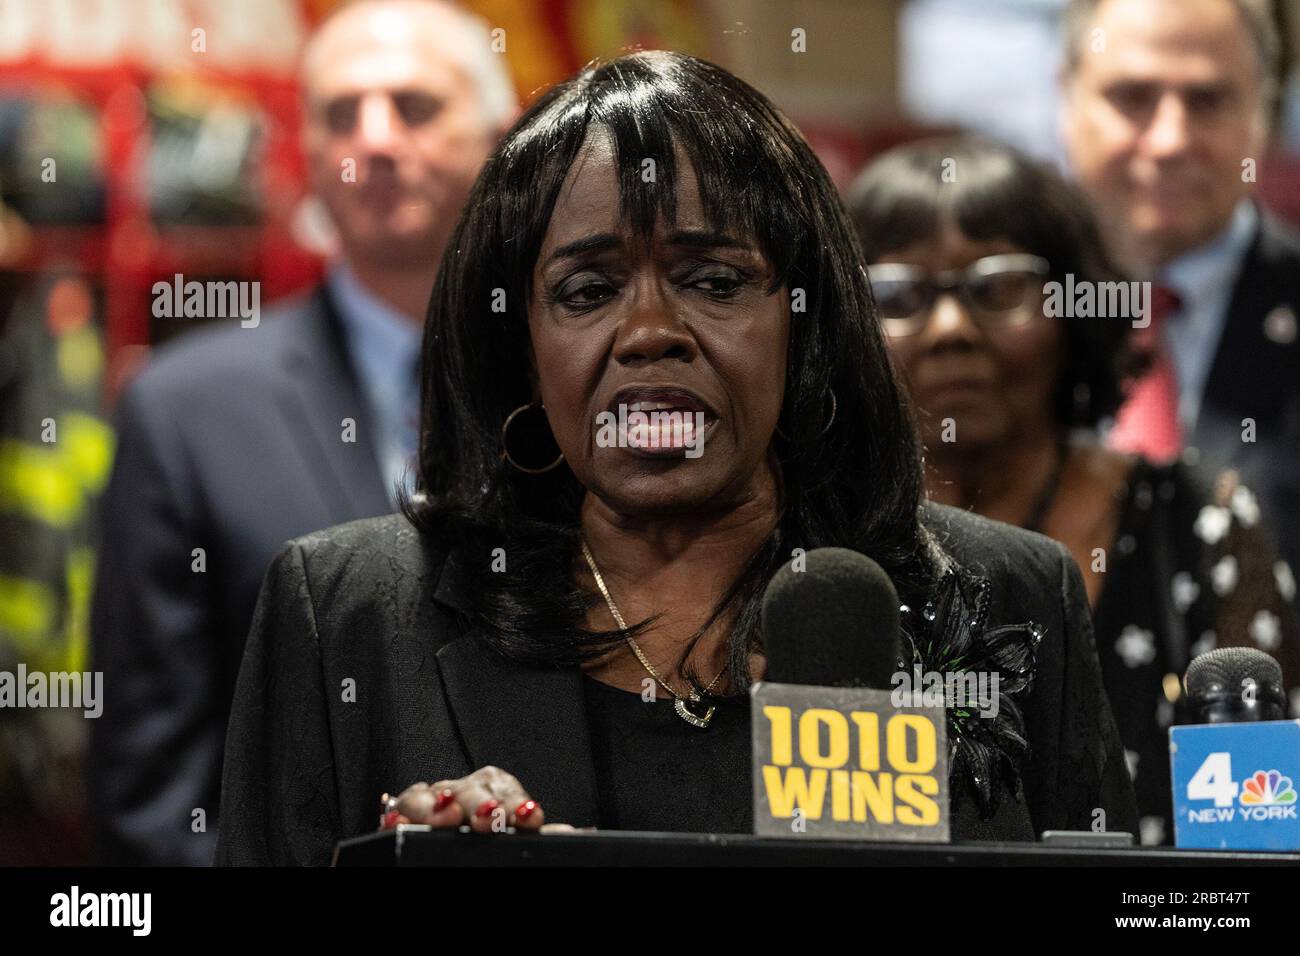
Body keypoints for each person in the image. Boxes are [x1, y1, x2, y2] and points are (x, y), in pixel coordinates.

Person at [215, 51, 1137, 866]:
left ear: (802, 326)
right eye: (587, 289)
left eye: (714, 281)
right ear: (520, 349)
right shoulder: (346, 615)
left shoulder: (1012, 594)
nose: (651, 332)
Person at [88, 0, 515, 866]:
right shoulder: (187, 412)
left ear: (505, 139)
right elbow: (152, 801)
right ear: (308, 154)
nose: (377, 139)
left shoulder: (576, 390)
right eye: (339, 113)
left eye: (416, 105)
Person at [848, 135, 1300, 846]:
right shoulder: (814, 538)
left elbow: (1263, 834)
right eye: (899, 295)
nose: (950, 329)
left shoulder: (1196, 525)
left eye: (996, 288)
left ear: (1072, 307)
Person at [1060, 0, 1300, 578]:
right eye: (1133, 97)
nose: (1169, 141)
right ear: (1066, 97)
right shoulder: (990, 315)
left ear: (1264, 112)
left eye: (1208, 100)